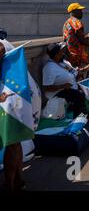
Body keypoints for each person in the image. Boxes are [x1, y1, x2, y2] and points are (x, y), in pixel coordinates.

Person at [42, 42, 89, 118]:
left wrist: (86, 68)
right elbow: (46, 88)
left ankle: (87, 117)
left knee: (87, 92)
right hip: (58, 92)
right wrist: (62, 86)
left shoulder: (64, 62)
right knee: (79, 95)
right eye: (61, 51)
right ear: (56, 54)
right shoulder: (49, 68)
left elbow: (75, 72)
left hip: (71, 89)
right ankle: (77, 118)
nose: (63, 52)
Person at [0, 39, 25, 192]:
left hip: (6, 98)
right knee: (15, 142)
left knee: (13, 142)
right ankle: (16, 180)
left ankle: (12, 182)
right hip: (9, 98)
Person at [63, 3, 89, 69]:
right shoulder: (77, 22)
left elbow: (74, 38)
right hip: (78, 56)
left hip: (70, 55)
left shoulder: (67, 22)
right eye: (80, 11)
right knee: (81, 75)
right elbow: (82, 41)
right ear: (74, 11)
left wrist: (86, 36)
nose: (82, 13)